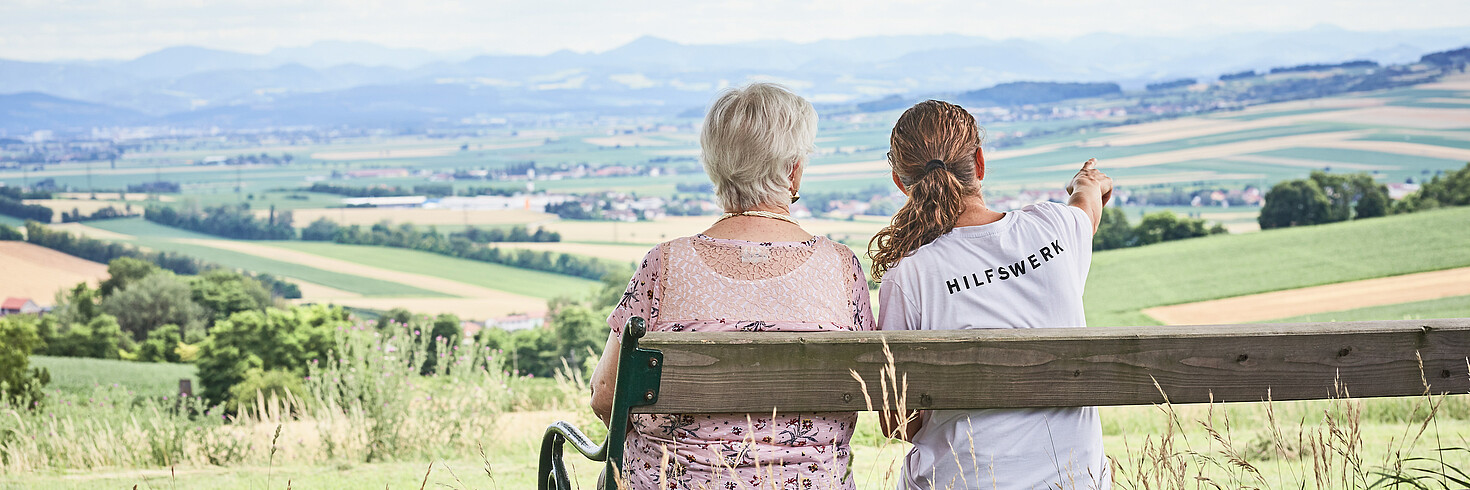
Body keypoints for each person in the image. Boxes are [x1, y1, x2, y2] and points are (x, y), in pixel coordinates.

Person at [590, 82, 875, 489]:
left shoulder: (665, 265)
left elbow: (605, 396)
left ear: (714, 165)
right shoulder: (841, 268)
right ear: (793, 170)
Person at [869, 100, 1113, 490]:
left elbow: (896, 421)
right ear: (979, 163)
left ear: (902, 184)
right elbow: (1087, 208)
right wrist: (1090, 182)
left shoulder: (908, 276)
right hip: (1074, 479)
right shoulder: (1055, 227)